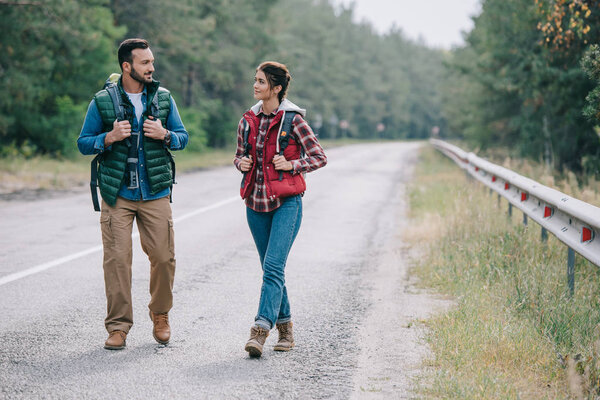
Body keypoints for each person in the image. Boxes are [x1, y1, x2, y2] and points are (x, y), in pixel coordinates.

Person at [77, 38, 188, 350]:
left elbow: (183, 136)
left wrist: (166, 135)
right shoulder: (102, 101)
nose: (151, 68)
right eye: (145, 63)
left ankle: (160, 314)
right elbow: (83, 142)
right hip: (117, 193)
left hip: (155, 192)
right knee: (117, 261)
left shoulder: (164, 98)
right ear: (127, 67)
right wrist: (108, 137)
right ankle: (118, 327)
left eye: (151, 62)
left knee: (164, 258)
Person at [233, 61, 327, 357]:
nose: (255, 85)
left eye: (261, 81)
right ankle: (285, 328)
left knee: (273, 267)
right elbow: (238, 155)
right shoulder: (247, 119)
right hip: (255, 204)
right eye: (255, 80)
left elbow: (319, 156)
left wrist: (293, 164)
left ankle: (260, 330)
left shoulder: (294, 120)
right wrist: (241, 163)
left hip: (287, 204)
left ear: (276, 88)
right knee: (271, 269)